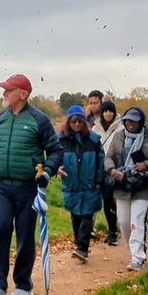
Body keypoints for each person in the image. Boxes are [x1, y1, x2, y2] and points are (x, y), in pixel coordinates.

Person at [0, 74, 63, 295]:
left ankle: (24, 285)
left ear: (23, 94)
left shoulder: (39, 120)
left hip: (28, 187)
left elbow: (55, 150)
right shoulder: (0, 119)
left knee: (25, 234)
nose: (5, 93)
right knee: (0, 229)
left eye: (9, 90)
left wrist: (47, 171)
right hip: (2, 186)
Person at [103, 107, 148, 271]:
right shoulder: (118, 137)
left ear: (141, 122)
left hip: (143, 186)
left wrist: (146, 164)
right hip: (122, 185)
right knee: (124, 222)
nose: (130, 124)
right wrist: (112, 170)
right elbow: (108, 157)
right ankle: (134, 251)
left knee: (136, 220)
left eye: (134, 121)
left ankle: (138, 257)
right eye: (128, 121)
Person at [47, 106, 105, 262]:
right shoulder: (61, 141)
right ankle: (79, 244)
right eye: (74, 121)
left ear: (85, 122)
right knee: (76, 216)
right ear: (69, 122)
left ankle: (82, 248)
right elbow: (53, 158)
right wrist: (56, 169)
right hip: (71, 184)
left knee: (87, 216)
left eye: (80, 121)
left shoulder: (94, 140)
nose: (77, 124)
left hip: (90, 184)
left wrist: (99, 180)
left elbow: (100, 162)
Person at [91, 101, 122, 246]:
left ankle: (113, 231)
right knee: (99, 200)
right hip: (98, 168)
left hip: (114, 168)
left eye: (110, 111)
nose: (108, 114)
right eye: (105, 111)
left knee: (110, 200)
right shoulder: (95, 129)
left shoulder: (120, 128)